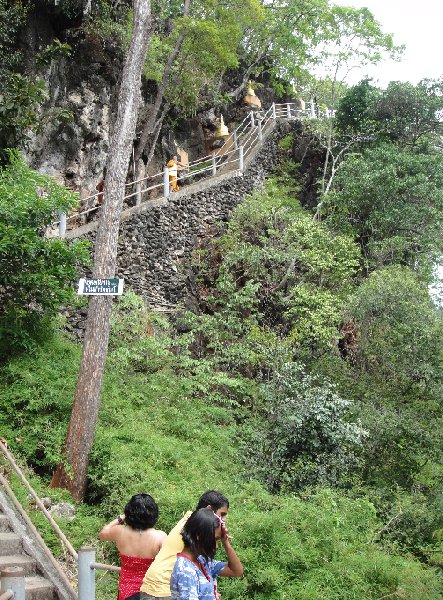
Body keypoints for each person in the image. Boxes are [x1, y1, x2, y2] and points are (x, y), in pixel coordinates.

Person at [139, 491, 229, 600]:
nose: (224, 519)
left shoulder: (192, 520)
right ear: (209, 509)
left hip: (158, 583)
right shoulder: (195, 527)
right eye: (222, 514)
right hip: (161, 586)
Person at [99, 493, 167, 600]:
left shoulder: (120, 531)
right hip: (150, 592)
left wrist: (121, 518)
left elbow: (102, 533)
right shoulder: (160, 537)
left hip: (126, 592)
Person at [170, 508, 243, 600]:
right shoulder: (186, 570)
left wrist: (225, 542)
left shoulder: (202, 561)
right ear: (199, 535)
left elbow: (236, 571)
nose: (216, 546)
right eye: (215, 539)